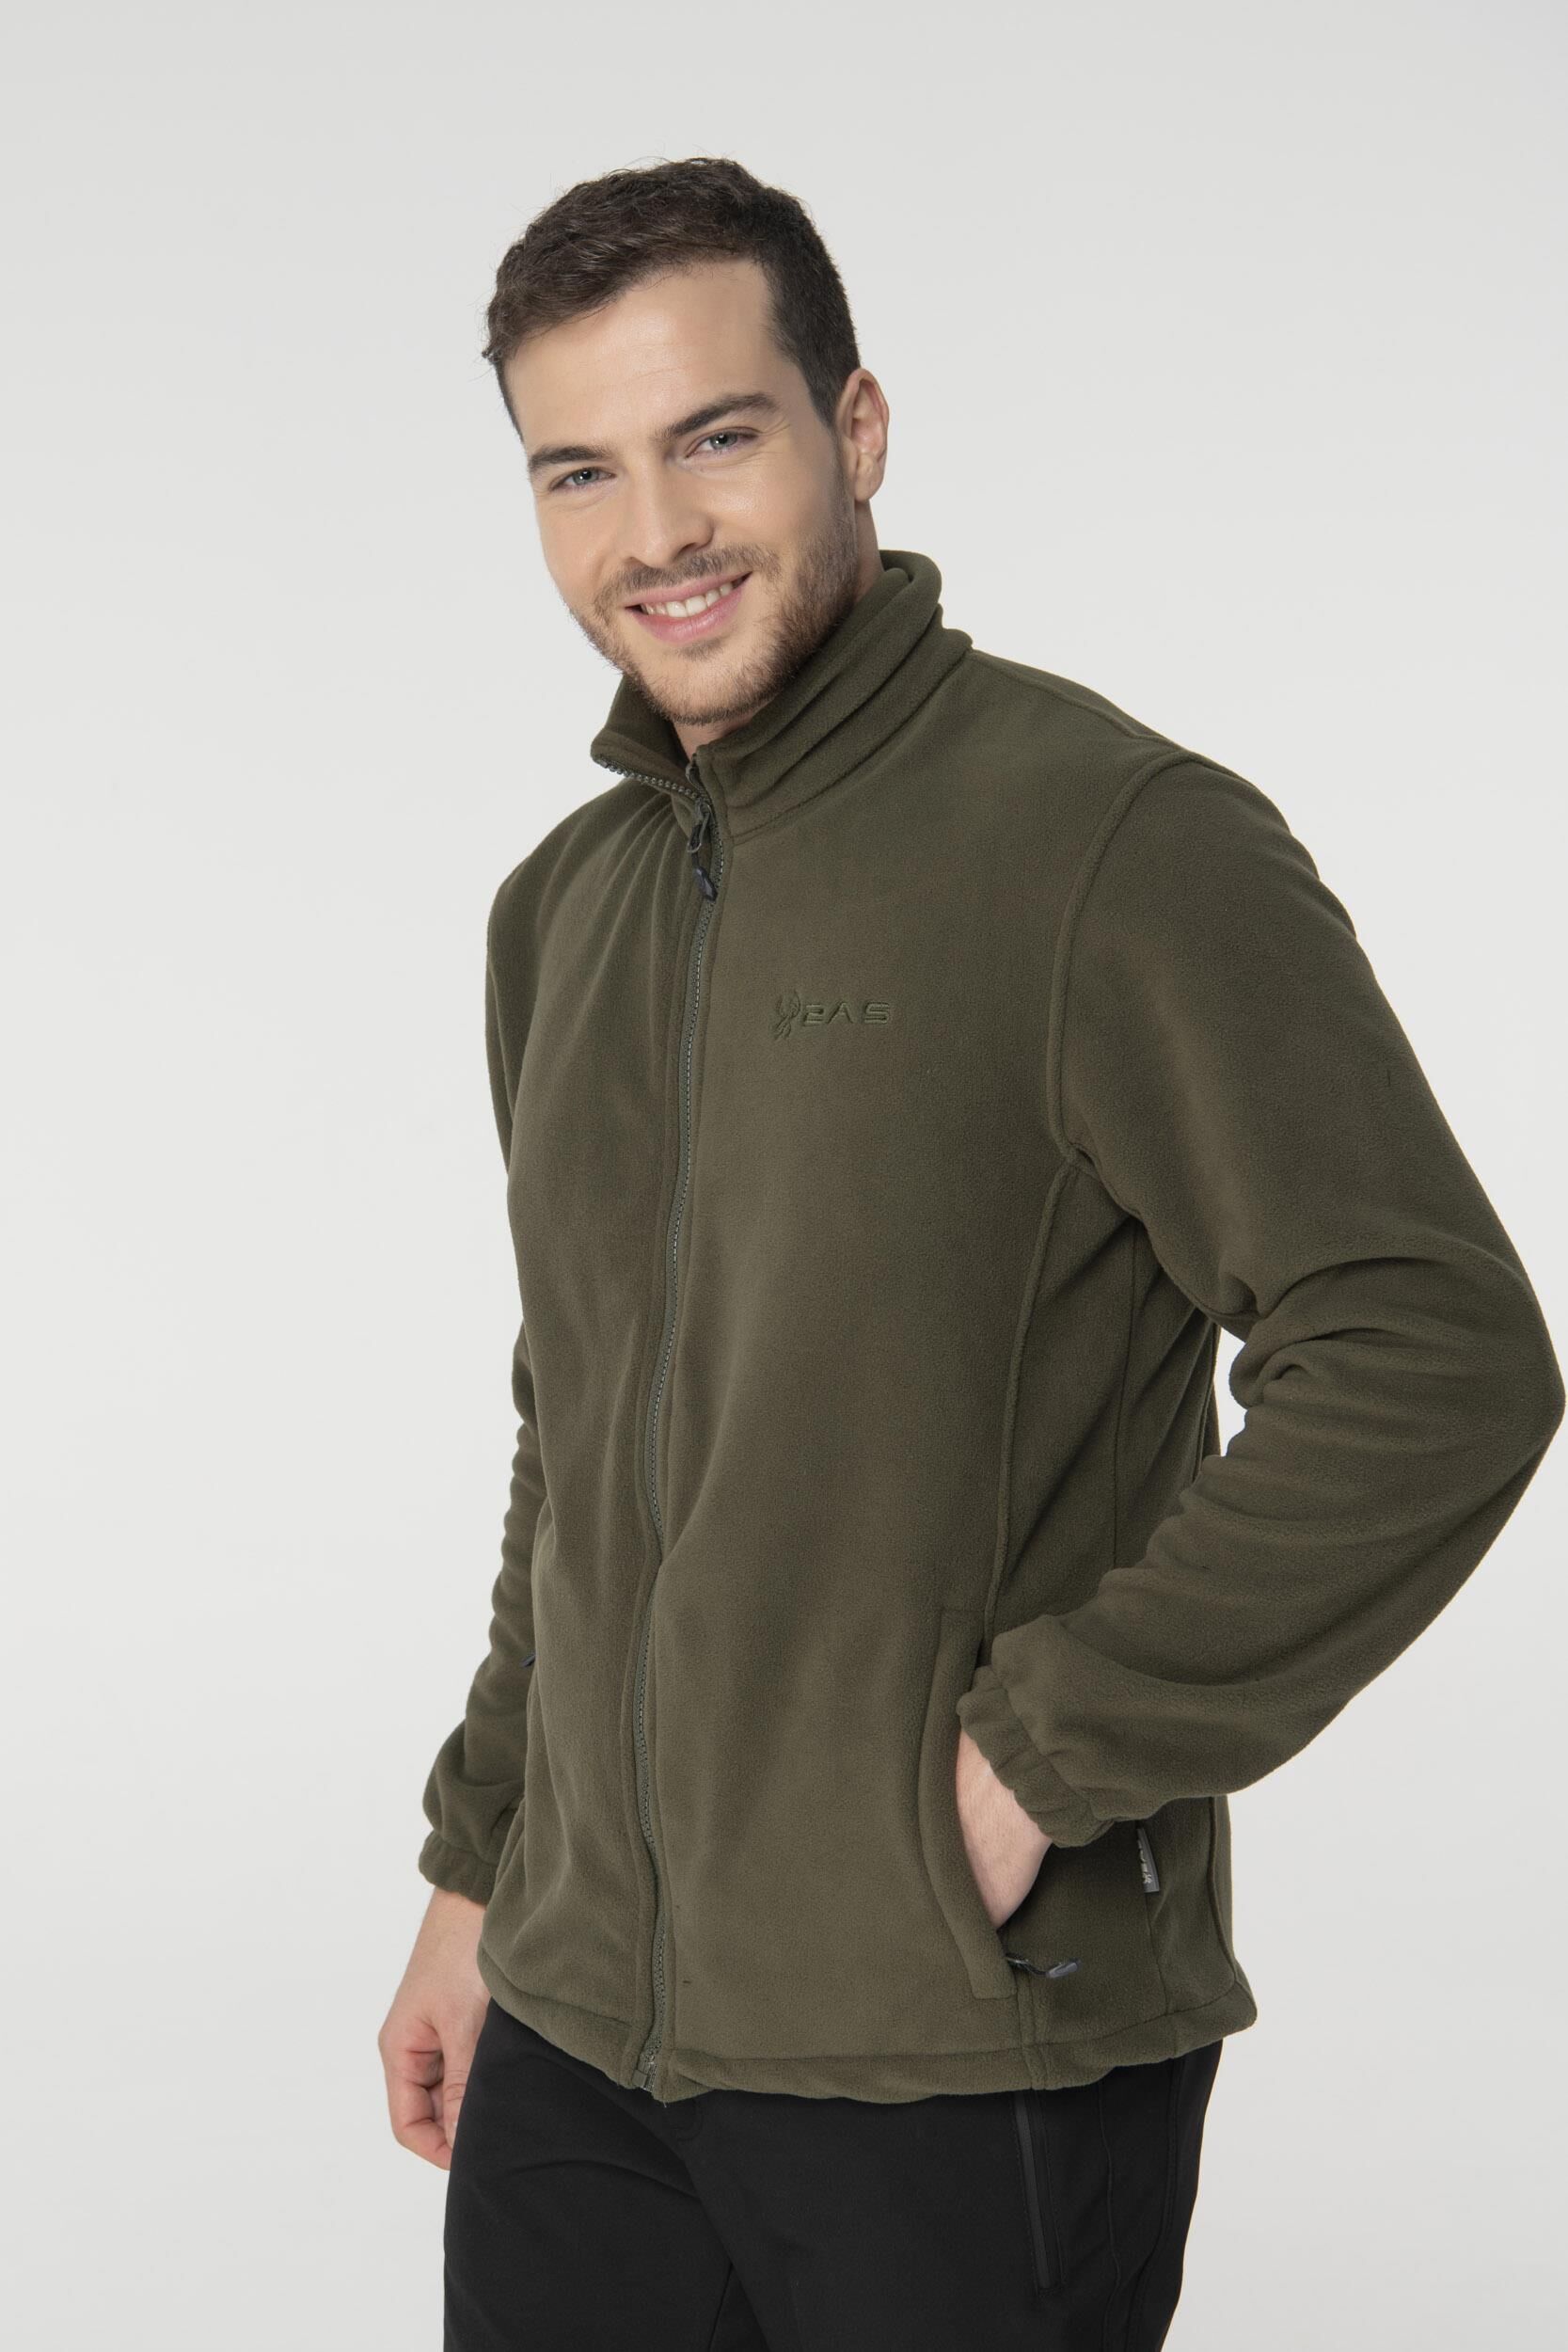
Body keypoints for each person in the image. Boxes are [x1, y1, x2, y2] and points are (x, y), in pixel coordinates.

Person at [377, 156, 1563, 2350]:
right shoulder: (564, 913)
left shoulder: (1110, 842)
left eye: (715, 435)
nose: (658, 530)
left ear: (857, 428)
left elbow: (1432, 1351)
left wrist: (1037, 1760)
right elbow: (583, 1429)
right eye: (579, 470)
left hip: (955, 2043)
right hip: (577, 2031)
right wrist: (483, 1862)